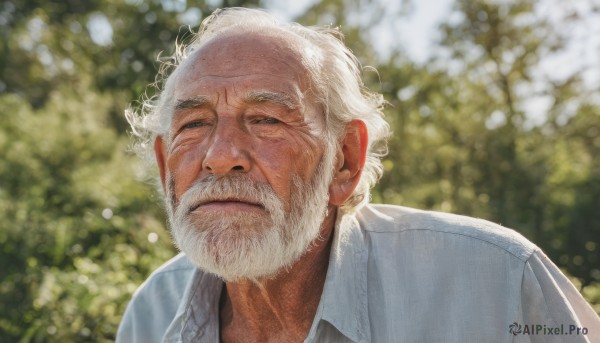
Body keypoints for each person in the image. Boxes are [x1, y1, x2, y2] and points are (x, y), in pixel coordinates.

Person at [116, 7, 599, 343]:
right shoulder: (149, 315)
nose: (220, 157)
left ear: (344, 161)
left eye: (266, 120)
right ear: (164, 167)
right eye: (194, 124)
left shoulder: (499, 282)